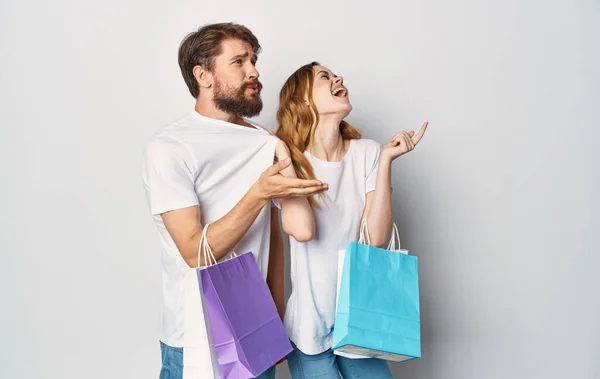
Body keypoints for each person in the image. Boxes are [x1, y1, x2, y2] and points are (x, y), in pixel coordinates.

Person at [142, 24, 323, 379]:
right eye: (238, 61)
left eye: (253, 60)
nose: (254, 71)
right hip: (193, 336)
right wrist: (258, 193)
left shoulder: (262, 141)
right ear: (203, 75)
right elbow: (195, 252)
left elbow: (273, 241)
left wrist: (276, 317)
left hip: (254, 330)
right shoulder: (169, 147)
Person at [274, 62, 428, 379]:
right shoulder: (289, 162)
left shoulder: (368, 153)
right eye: (325, 77)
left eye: (335, 74)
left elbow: (375, 239)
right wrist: (282, 152)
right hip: (309, 329)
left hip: (361, 319)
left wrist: (385, 160)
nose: (338, 78)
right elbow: (302, 231)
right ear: (303, 100)